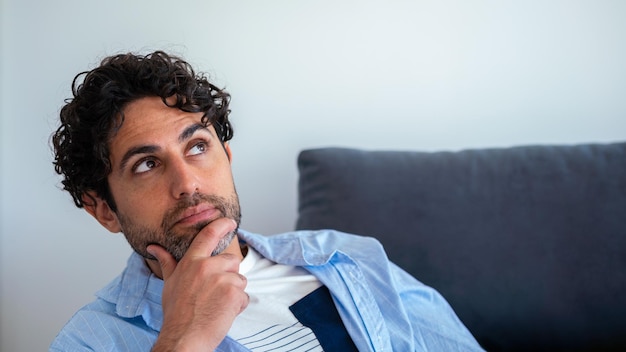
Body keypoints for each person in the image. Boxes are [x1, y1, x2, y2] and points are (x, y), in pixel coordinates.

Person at [49, 50, 484, 352]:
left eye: (198, 147)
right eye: (146, 164)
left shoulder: (346, 258)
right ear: (103, 209)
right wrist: (183, 337)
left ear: (227, 157)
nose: (187, 184)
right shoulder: (90, 339)